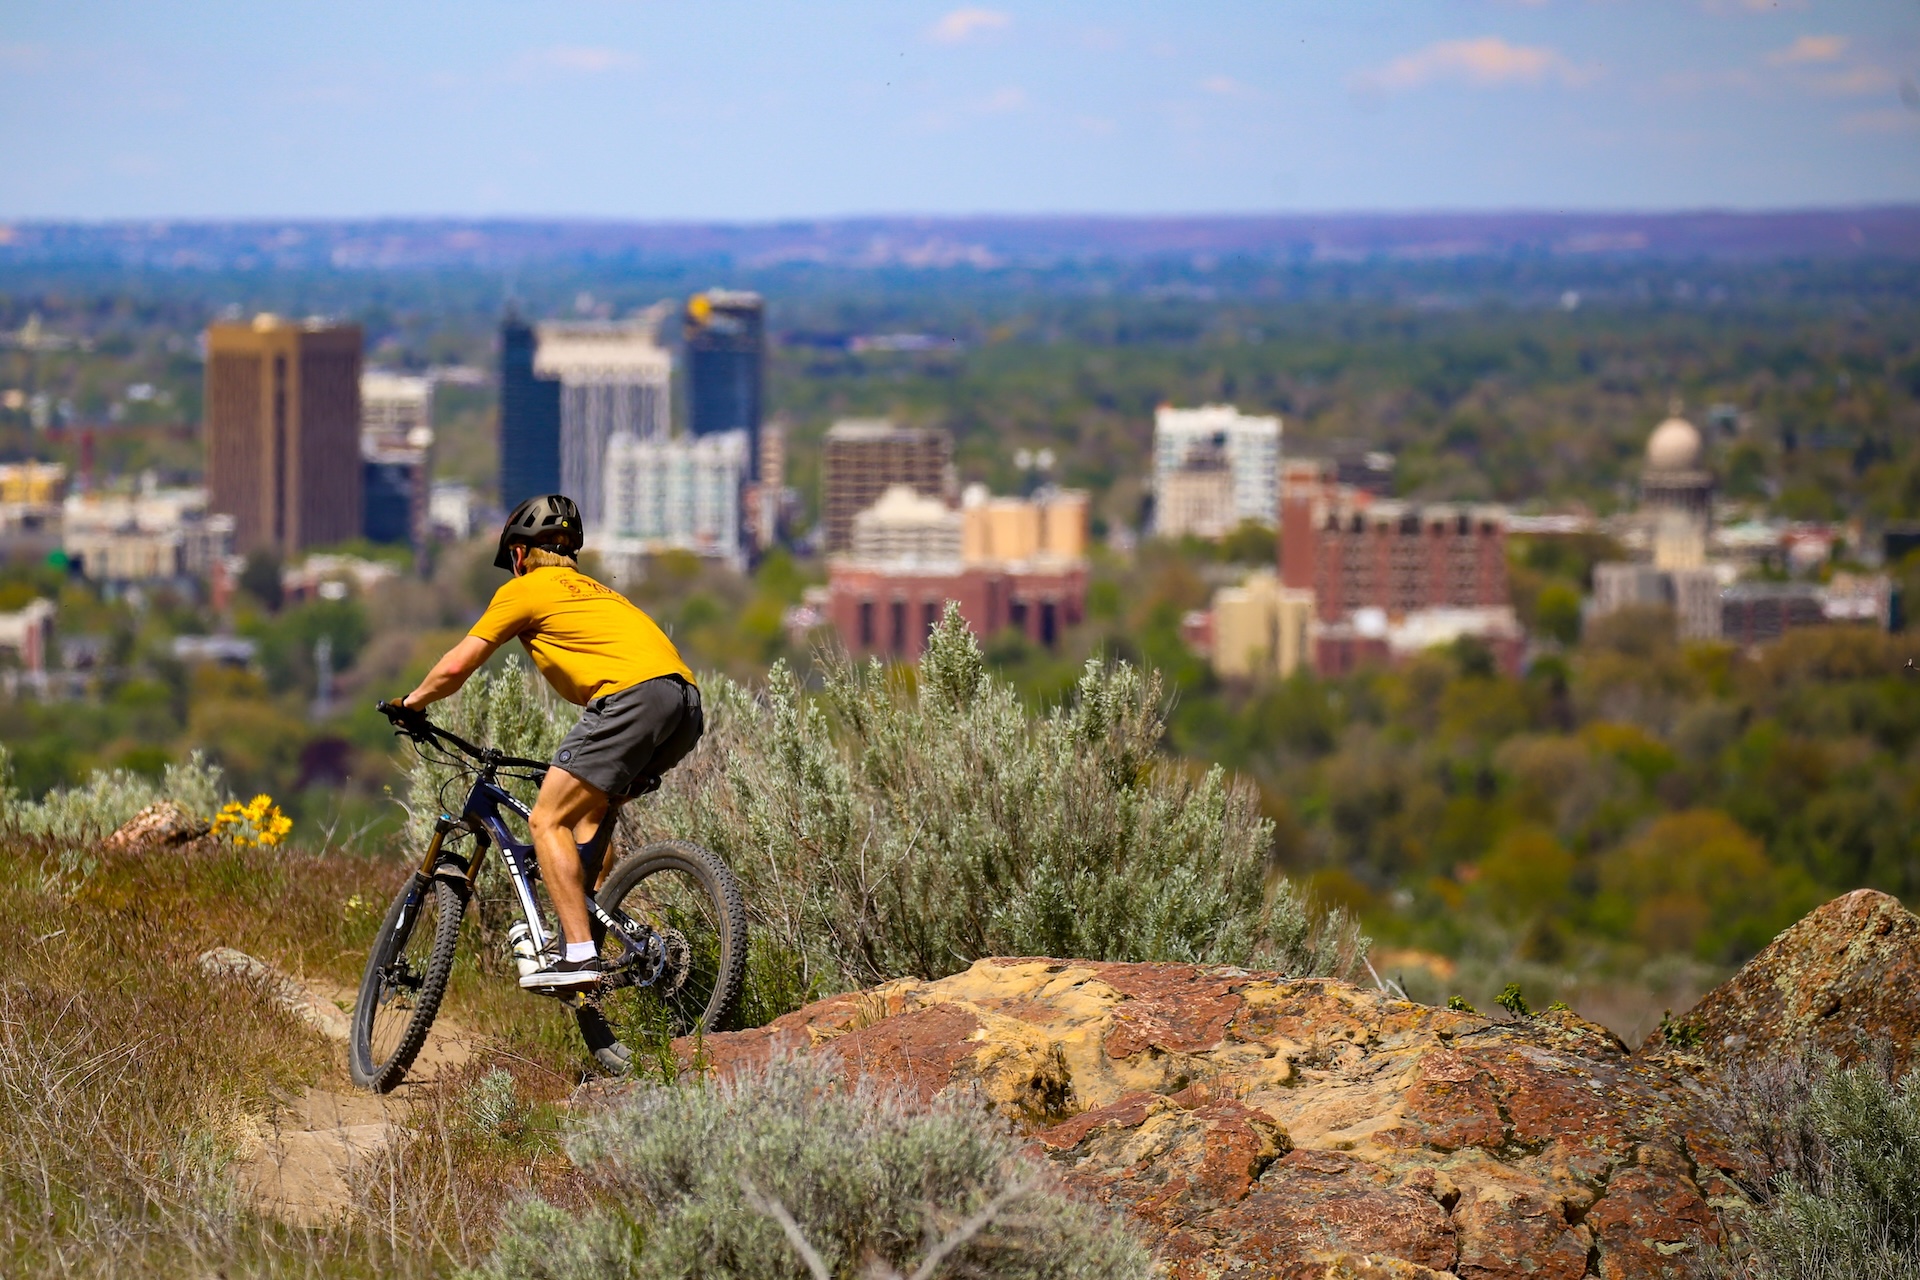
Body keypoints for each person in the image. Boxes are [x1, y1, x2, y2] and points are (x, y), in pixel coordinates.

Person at [392, 494, 702, 989]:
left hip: (632, 699)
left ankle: (579, 955)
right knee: (587, 816)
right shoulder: (602, 593)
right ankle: (594, 925)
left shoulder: (526, 588)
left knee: (545, 819)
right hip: (684, 705)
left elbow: (456, 666)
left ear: (519, 554)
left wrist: (412, 703)